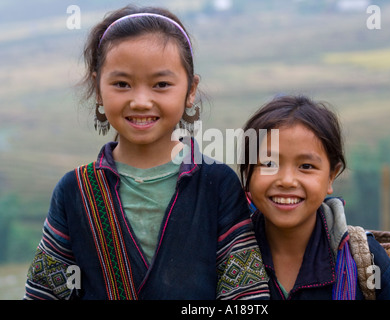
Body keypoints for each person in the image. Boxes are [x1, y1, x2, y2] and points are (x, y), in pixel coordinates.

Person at [24, 5, 269, 300]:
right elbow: (44, 294)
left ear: (191, 90)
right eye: (122, 84)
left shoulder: (218, 186)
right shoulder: (76, 192)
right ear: (98, 89)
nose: (141, 101)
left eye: (161, 84)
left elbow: (246, 299)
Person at [239, 94, 390, 299]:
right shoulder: (227, 253)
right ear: (248, 172)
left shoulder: (365, 260)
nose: (287, 180)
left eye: (306, 166)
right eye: (268, 164)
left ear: (331, 176)